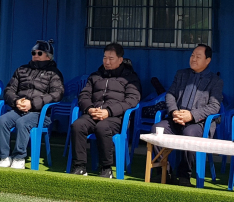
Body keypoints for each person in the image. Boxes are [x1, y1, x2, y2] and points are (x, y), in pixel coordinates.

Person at [151, 44, 223, 187]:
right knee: (156, 129)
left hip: (198, 123)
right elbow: (170, 95)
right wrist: (174, 112)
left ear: (207, 60)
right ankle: (164, 171)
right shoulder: (181, 74)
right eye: (192, 55)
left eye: (198, 56)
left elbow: (215, 106)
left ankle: (184, 175)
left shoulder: (215, 81)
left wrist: (191, 115)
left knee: (189, 133)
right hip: (176, 118)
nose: (193, 59)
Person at [70, 43, 141, 178]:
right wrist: (90, 109)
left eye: (111, 58)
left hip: (115, 117)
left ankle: (106, 168)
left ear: (120, 60)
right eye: (104, 58)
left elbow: (132, 100)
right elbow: (84, 95)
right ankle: (79, 166)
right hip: (93, 114)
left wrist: (108, 111)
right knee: (77, 125)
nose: (107, 62)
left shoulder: (130, 78)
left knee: (102, 127)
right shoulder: (95, 76)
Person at [0, 40, 64, 169]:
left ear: (48, 56)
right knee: (2, 121)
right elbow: (9, 90)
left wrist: (32, 104)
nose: (36, 55)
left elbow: (57, 94)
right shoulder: (22, 70)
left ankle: (19, 157)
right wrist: (17, 101)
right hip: (19, 109)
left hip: (40, 113)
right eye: (34, 53)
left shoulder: (54, 73)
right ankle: (4, 157)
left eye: (40, 53)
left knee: (22, 123)